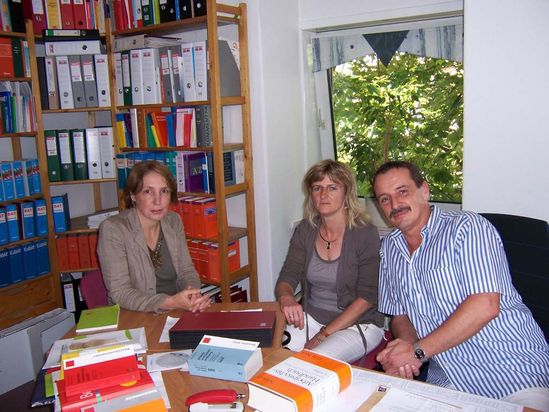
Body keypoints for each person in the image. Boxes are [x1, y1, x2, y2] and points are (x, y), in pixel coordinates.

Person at [373, 160, 549, 409]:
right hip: (448, 378)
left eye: (402, 192)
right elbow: (400, 315)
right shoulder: (389, 247)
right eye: (384, 199)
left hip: (513, 371)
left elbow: (485, 305)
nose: (394, 204)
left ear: (424, 190)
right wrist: (407, 348)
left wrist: (417, 352)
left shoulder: (467, 228)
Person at [275, 159, 386, 363]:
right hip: (312, 317)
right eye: (317, 188)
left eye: (332, 187)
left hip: (358, 324)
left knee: (316, 362)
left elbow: (367, 297)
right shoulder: (306, 230)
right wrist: (287, 298)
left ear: (347, 193)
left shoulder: (365, 233)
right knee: (279, 357)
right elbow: (287, 277)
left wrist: (323, 335)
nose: (323, 194)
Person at [97, 160, 211, 313]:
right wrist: (169, 302)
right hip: (133, 315)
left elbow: (186, 271)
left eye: (164, 191)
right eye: (148, 191)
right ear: (133, 196)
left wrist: (192, 294)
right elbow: (120, 293)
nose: (158, 201)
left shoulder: (173, 221)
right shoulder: (114, 229)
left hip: (176, 310)